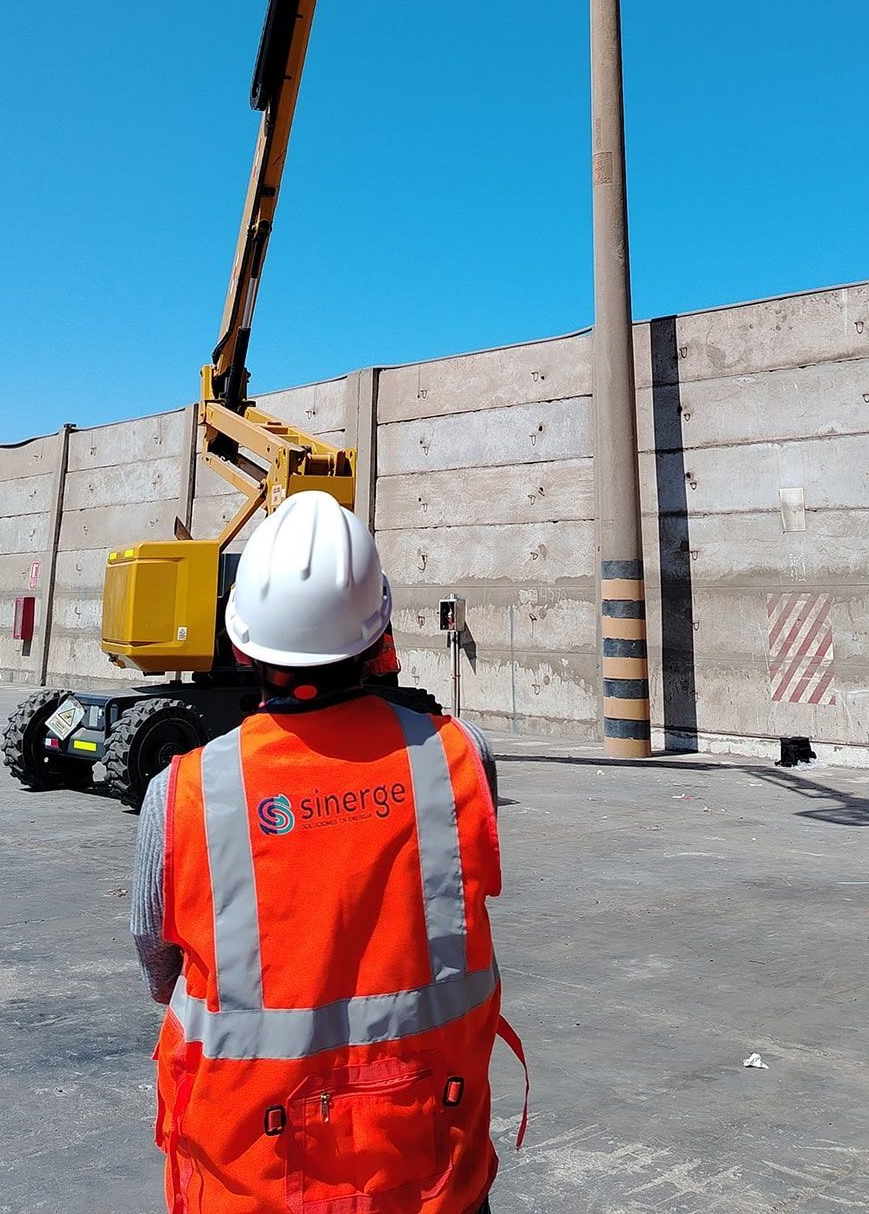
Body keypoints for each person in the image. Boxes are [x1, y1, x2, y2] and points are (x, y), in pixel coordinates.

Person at [132, 490, 522, 1214]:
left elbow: (160, 967)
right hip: (431, 1164)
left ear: (242, 641)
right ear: (380, 631)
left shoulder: (183, 791)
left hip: (251, 1177)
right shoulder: (463, 758)